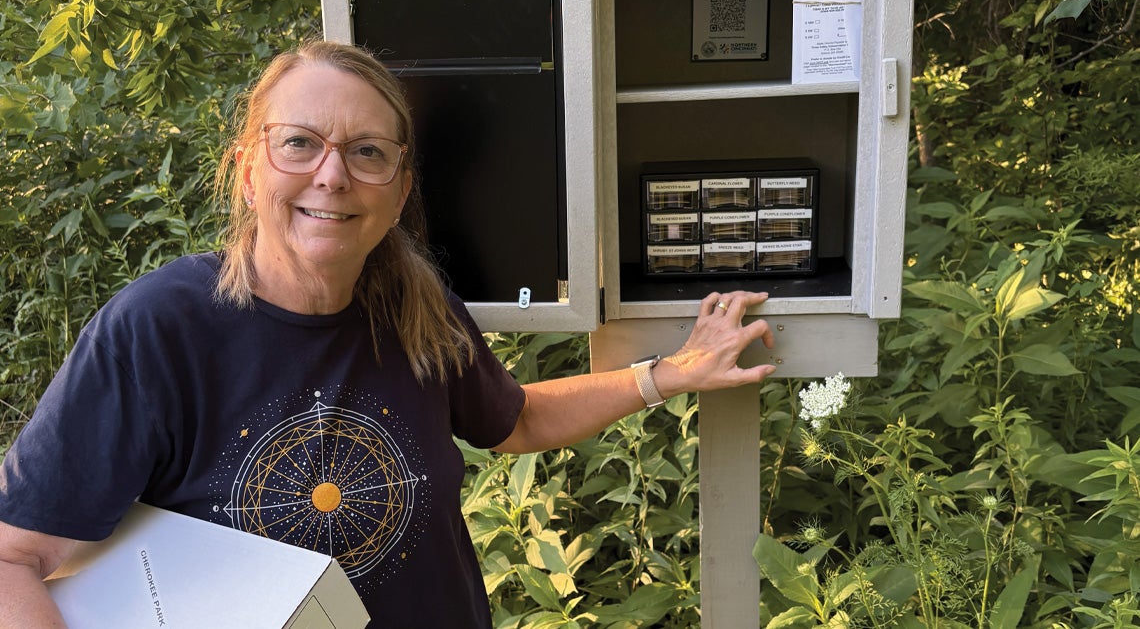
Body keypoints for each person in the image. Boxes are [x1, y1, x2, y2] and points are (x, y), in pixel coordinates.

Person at [0, 40, 775, 627]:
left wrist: (666, 374)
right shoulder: (159, 329)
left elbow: (517, 420)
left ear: (400, 190)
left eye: (367, 153)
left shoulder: (416, 305)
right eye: (300, 142)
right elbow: (14, 558)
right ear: (248, 169)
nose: (332, 175)